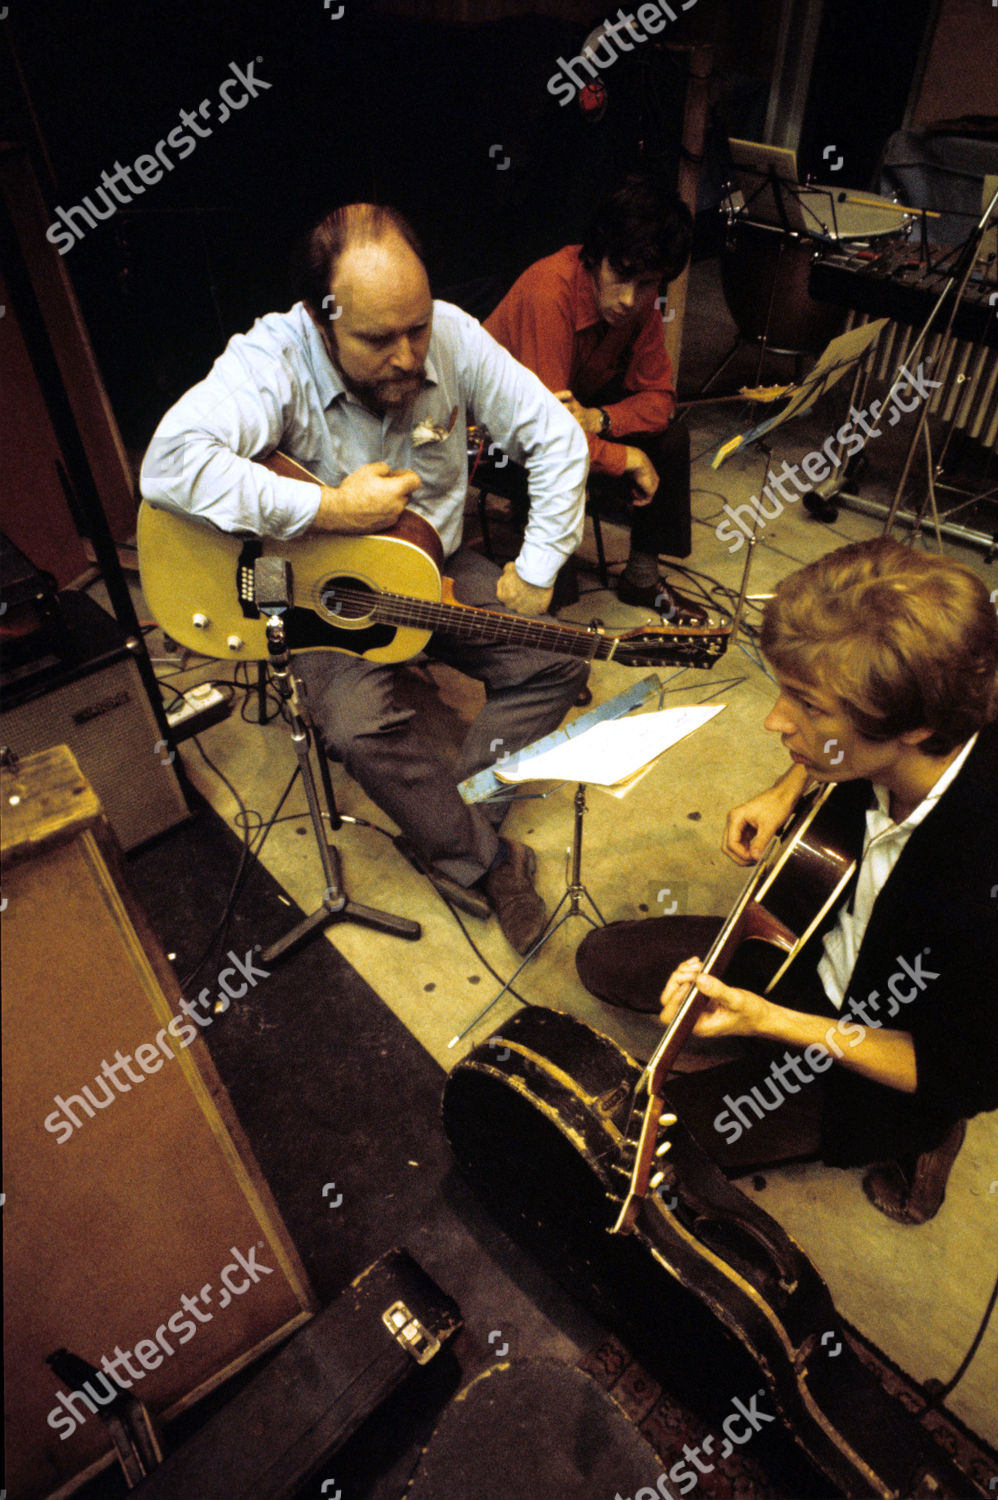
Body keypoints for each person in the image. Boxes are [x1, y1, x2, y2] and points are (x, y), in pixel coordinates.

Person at [141, 203, 591, 954]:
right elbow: (169, 463)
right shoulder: (272, 358)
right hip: (324, 597)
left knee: (557, 660)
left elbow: (555, 437)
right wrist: (329, 508)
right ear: (323, 322)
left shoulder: (450, 334)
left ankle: (452, 828)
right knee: (352, 724)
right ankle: (486, 861)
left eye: (416, 327)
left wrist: (540, 564)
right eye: (379, 339)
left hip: (429, 568)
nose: (410, 355)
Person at [576, 538, 998, 1223]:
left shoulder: (982, 870)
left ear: (914, 729)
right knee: (603, 959)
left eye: (805, 704)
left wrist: (773, 1022)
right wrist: (786, 788)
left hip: (892, 1052)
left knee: (631, 1148)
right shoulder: (907, 716)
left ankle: (928, 1142)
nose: (774, 720)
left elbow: (963, 1070)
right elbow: (858, 721)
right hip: (804, 944)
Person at [484, 174, 707, 625]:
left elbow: (660, 398)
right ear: (596, 255)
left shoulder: (641, 306)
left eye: (647, 284)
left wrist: (601, 420)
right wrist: (627, 458)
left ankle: (642, 577)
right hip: (493, 442)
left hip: (570, 417)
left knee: (672, 438)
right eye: (621, 275)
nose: (629, 299)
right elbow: (545, 438)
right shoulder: (551, 290)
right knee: (563, 464)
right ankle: (554, 619)